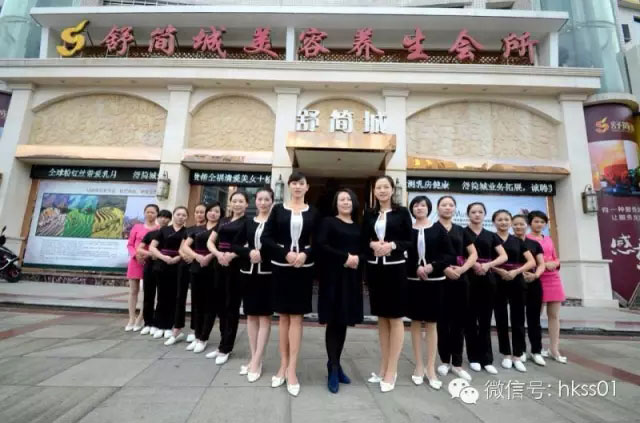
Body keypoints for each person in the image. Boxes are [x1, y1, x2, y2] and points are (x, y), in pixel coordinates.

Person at [261, 171, 320, 397]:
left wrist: (306, 253)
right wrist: (285, 253)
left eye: (301, 183)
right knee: (283, 317)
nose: (297, 186)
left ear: (307, 187)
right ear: (289, 186)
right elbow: (267, 238)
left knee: (297, 317)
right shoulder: (278, 210)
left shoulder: (314, 212)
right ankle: (283, 365)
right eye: (293, 183)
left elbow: (320, 240)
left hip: (303, 269)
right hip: (281, 267)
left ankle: (293, 369)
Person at [362, 176, 412, 393]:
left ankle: (392, 370)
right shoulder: (369, 213)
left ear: (392, 190)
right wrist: (372, 244)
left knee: (395, 317)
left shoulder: (402, 213)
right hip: (375, 269)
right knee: (381, 317)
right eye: (378, 187)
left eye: (385, 187)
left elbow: (409, 240)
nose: (382, 191)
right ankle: (383, 367)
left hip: (395, 269)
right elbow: (363, 238)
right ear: (374, 191)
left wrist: (391, 245)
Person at [316, 188, 364, 394]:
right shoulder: (328, 222)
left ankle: (334, 363)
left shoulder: (359, 226)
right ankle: (333, 369)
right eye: (341, 199)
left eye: (348, 199)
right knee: (333, 321)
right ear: (336, 204)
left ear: (354, 203)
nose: (345, 202)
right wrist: (345, 257)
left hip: (351, 278)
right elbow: (321, 245)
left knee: (343, 322)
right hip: (332, 278)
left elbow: (365, 250)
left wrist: (358, 258)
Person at [407, 195, 456, 390]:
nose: (419, 208)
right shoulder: (407, 229)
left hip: (435, 282)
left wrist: (432, 266)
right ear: (412, 209)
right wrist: (415, 268)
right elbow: (403, 254)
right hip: (413, 282)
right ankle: (418, 366)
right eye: (416, 205)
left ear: (429, 208)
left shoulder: (438, 229)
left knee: (432, 324)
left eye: (423, 205)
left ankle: (430, 368)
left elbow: (450, 255)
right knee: (415, 323)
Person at [232, 187, 275, 382]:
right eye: (260, 199)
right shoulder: (248, 222)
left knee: (264, 318)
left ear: (272, 201)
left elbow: (278, 247)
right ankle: (253, 357)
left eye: (267, 199)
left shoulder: (275, 223)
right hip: (247, 274)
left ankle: (257, 361)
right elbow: (235, 245)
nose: (263, 203)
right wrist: (248, 252)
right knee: (250, 317)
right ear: (255, 201)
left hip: (267, 275)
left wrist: (262, 254)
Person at [434, 196, 478, 382]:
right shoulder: (432, 229)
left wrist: (462, 269)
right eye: (444, 205)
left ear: (455, 209)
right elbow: (428, 254)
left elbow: (473, 254)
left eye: (451, 205)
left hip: (461, 279)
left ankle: (457, 363)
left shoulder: (461, 230)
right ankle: (444, 360)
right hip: (439, 279)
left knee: (459, 321)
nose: (447, 207)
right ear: (438, 208)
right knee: (442, 322)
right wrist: (444, 269)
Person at [205, 191, 249, 364]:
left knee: (232, 307)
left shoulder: (248, 222)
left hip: (235, 266)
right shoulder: (223, 221)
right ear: (230, 203)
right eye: (234, 201)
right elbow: (210, 241)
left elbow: (249, 244)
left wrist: (232, 255)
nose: (237, 204)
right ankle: (221, 345)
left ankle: (226, 347)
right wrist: (218, 254)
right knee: (220, 305)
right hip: (219, 264)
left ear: (246, 204)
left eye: (241, 201)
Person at [465, 202, 507, 375]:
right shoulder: (462, 233)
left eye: (480, 212)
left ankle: (487, 359)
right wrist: (474, 264)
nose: (477, 214)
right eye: (473, 212)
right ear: (468, 214)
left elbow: (503, 256)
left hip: (488, 280)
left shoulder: (491, 235)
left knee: (485, 320)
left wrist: (488, 265)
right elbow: (458, 254)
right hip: (468, 279)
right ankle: (473, 358)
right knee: (470, 319)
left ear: (484, 214)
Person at [492, 209, 536, 373]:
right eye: (500, 219)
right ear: (494, 222)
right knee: (501, 318)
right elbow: (486, 261)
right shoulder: (491, 238)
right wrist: (499, 271)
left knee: (518, 319)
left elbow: (531, 262)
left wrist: (516, 272)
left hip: (516, 282)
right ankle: (506, 354)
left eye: (506, 219)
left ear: (510, 222)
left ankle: (517, 354)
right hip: (497, 282)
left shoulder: (517, 241)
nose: (503, 222)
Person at [526, 210, 568, 364]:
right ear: (530, 223)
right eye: (536, 221)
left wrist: (554, 263)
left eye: (542, 222)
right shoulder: (525, 239)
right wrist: (543, 264)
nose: (539, 224)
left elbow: (556, 258)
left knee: (554, 316)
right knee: (535, 316)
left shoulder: (548, 239)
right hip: (537, 278)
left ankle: (554, 349)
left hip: (553, 278)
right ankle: (535, 348)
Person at [180, 202, 221, 353]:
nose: (213, 214)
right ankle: (197, 336)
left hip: (213, 269)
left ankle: (204, 338)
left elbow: (222, 247)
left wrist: (209, 256)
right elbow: (185, 246)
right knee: (197, 304)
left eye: (216, 211)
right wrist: (197, 256)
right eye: (211, 211)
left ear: (220, 214)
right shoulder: (197, 229)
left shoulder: (221, 228)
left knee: (210, 304)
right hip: (197, 268)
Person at [165, 203, 207, 346]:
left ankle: (195, 329)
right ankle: (177, 328)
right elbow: (181, 248)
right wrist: (185, 255)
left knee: (197, 298)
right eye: (197, 212)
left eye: (202, 212)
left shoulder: (208, 230)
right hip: (184, 266)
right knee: (180, 297)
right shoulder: (188, 230)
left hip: (198, 266)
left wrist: (193, 257)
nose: (199, 214)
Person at [149, 207, 188, 339]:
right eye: (178, 214)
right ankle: (159, 324)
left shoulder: (187, 232)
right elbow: (152, 247)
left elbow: (186, 249)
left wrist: (177, 258)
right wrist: (163, 257)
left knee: (174, 297)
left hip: (178, 266)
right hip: (162, 265)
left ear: (186, 217)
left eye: (184, 215)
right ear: (174, 215)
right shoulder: (164, 230)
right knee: (161, 295)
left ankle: (169, 325)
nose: (181, 217)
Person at [512, 214, 546, 366]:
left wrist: (535, 275)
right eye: (515, 224)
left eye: (521, 224)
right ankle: (520, 351)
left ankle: (536, 351)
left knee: (534, 319)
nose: (518, 227)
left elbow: (541, 264)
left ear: (527, 225)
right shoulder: (508, 242)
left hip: (533, 283)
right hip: (515, 283)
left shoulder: (534, 244)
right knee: (517, 319)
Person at [125, 204, 159, 331]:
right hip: (135, 262)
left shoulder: (159, 228)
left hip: (150, 263)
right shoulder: (137, 227)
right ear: (144, 213)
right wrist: (135, 255)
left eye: (153, 212)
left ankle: (141, 317)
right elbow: (130, 244)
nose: (150, 214)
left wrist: (148, 256)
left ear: (157, 214)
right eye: (147, 212)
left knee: (148, 292)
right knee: (133, 290)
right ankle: (131, 318)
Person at [138, 209, 172, 336]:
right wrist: (151, 253)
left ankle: (158, 323)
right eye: (161, 217)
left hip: (164, 268)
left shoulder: (171, 234)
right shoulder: (151, 234)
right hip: (150, 267)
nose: (163, 219)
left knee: (163, 297)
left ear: (170, 219)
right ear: (158, 218)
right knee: (148, 295)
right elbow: (140, 248)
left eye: (166, 217)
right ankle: (148, 323)